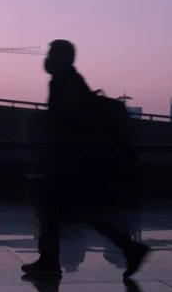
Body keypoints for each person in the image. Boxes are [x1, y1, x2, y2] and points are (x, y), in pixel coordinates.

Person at [21, 39, 149, 278]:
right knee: (72, 212)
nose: (47, 59)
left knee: (59, 210)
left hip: (71, 161)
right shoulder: (69, 80)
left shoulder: (64, 82)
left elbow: (65, 125)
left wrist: (51, 154)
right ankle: (128, 248)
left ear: (60, 58)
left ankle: (50, 260)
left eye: (51, 54)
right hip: (75, 160)